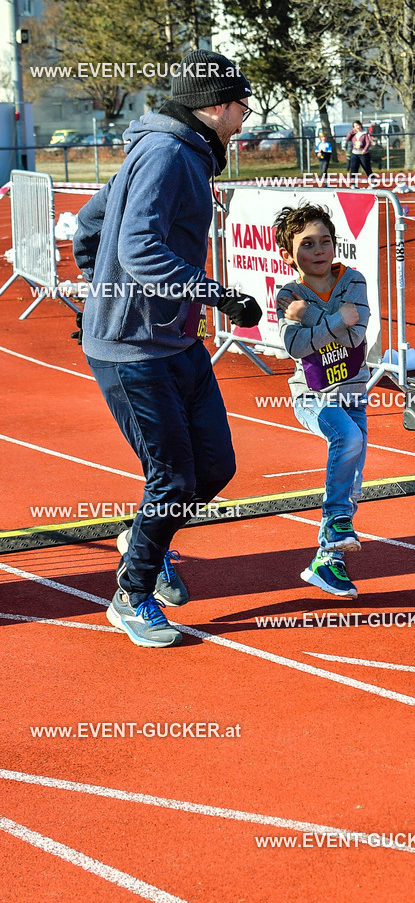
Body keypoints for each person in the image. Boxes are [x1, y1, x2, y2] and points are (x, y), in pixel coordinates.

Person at [72, 48, 262, 649]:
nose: (247, 115)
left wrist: (98, 288)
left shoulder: (181, 150)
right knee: (174, 479)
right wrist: (214, 295)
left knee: (214, 468)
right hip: (133, 351)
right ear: (215, 106)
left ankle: (141, 539)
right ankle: (131, 595)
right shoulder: (166, 153)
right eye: (242, 105)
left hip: (171, 339)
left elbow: (89, 224)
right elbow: (138, 249)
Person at [274, 202, 370, 598]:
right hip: (312, 396)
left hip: (354, 394)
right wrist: (332, 319)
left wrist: (310, 317)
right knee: (347, 440)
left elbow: (355, 336)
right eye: (307, 244)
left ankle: (327, 562)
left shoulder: (354, 281)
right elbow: (295, 347)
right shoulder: (287, 295)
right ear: (288, 254)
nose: (318, 251)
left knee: (352, 483)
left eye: (325, 241)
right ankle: (334, 523)